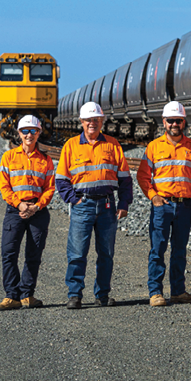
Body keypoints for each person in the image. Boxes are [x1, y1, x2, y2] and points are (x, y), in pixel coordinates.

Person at [55, 101, 132, 309]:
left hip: (107, 207)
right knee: (77, 253)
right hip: (83, 206)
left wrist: (124, 203)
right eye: (89, 120)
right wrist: (74, 200)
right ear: (81, 122)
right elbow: (61, 180)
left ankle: (103, 295)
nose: (92, 123)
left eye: (96, 120)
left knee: (106, 254)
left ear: (102, 121)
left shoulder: (113, 144)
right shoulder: (71, 145)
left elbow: (125, 178)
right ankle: (74, 295)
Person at [136, 101, 191, 307]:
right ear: (163, 122)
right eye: (171, 121)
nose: (174, 124)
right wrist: (153, 196)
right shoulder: (153, 147)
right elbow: (143, 176)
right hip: (162, 206)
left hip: (184, 206)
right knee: (158, 249)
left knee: (179, 250)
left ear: (183, 122)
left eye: (178, 120)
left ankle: (177, 291)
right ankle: (156, 292)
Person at [0, 115, 55, 310]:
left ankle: (27, 295)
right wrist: (19, 204)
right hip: (15, 210)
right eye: (25, 131)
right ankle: (11, 295)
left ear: (38, 133)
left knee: (34, 254)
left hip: (37, 211)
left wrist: (36, 206)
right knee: (8, 252)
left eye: (33, 131)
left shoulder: (46, 160)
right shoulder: (8, 157)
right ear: (19, 133)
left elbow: (50, 188)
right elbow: (4, 185)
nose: (29, 135)